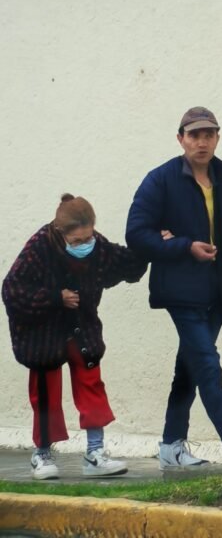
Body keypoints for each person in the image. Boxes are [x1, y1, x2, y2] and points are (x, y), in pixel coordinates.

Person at [126, 106, 222, 468]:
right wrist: (183, 246)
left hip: (219, 294)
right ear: (181, 139)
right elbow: (136, 234)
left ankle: (171, 445)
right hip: (181, 292)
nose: (202, 142)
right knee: (206, 362)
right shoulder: (160, 180)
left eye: (209, 135)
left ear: (217, 138)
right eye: (194, 135)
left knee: (189, 368)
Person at [2, 194, 147, 480]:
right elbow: (12, 290)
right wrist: (55, 298)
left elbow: (126, 264)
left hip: (82, 330)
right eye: (77, 241)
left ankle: (95, 453)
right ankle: (42, 454)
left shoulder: (97, 246)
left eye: (89, 237)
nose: (85, 245)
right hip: (44, 336)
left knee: (91, 385)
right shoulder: (39, 247)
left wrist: (152, 246)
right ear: (60, 232)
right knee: (46, 394)